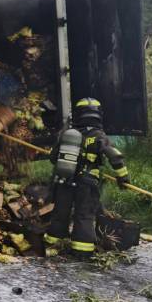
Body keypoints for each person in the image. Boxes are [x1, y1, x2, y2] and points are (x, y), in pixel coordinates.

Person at [44, 98, 129, 259]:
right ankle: (82, 252)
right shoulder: (99, 136)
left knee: (60, 213)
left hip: (65, 181)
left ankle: (53, 245)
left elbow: (54, 158)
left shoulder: (68, 134)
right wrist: (123, 177)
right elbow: (115, 157)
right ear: (98, 115)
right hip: (87, 184)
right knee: (84, 216)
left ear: (78, 115)